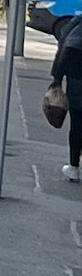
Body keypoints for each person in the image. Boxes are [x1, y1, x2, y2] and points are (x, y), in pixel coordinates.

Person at [55, 18, 82, 181]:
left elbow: (66, 49)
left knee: (77, 126)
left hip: (78, 81)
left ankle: (73, 167)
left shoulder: (77, 25)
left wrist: (56, 78)